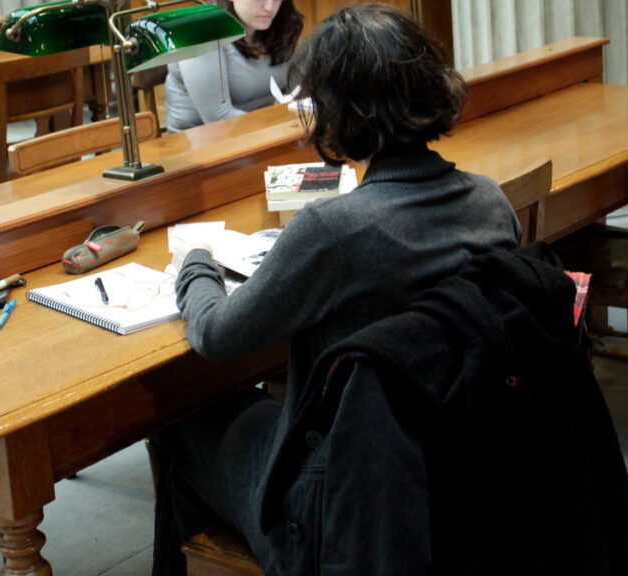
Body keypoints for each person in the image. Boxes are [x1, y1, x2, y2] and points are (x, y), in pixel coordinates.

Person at [152, 3, 521, 574]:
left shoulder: (332, 229)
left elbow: (219, 335)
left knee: (181, 419)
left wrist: (196, 264)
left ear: (335, 114)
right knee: (253, 413)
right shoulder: (490, 201)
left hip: (341, 505)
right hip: (459, 473)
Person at [163, 0, 303, 133]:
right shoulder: (200, 32)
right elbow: (219, 118)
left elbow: (295, 91)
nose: (270, 7)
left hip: (261, 134)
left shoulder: (278, 25)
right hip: (200, 142)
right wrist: (281, 127)